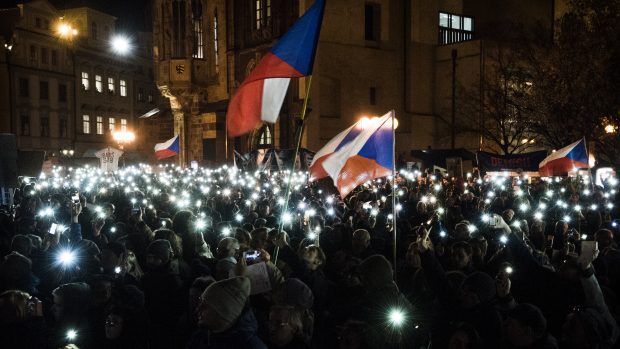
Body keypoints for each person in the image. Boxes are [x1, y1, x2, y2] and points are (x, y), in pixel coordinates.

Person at [187, 276, 267, 348]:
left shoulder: (252, 346)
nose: (198, 309)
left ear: (223, 311)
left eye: (205, 306)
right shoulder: (201, 337)